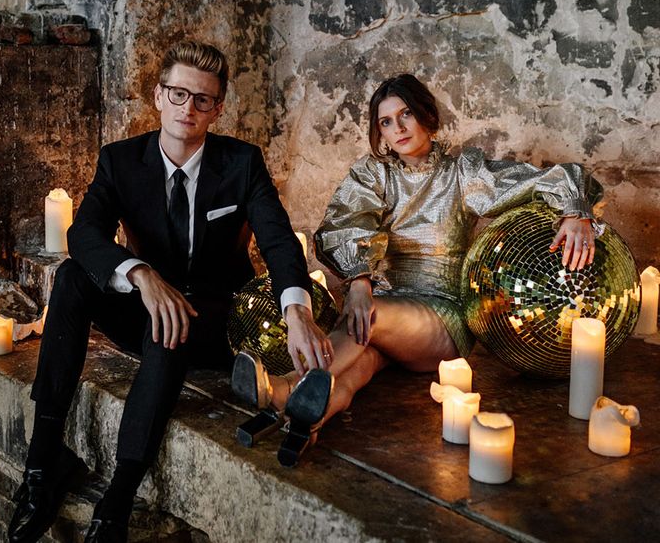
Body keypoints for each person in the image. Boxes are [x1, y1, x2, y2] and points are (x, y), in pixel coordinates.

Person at [7, 40, 333, 543]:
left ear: (217, 108)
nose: (189, 108)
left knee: (171, 325)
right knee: (73, 276)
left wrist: (296, 309)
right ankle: (39, 469)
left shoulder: (242, 163)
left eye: (203, 99)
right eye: (178, 94)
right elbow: (84, 234)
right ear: (158, 97)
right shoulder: (120, 161)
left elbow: (277, 238)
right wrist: (140, 274)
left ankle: (117, 500)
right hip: (143, 305)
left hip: (210, 323)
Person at [232, 73, 602, 466]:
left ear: (425, 113)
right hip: (384, 303)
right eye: (386, 122)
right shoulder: (374, 173)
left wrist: (575, 212)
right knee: (357, 369)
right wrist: (359, 280)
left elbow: (545, 179)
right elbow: (344, 223)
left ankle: (284, 387)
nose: (398, 128)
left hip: (442, 318)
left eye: (406, 114)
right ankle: (312, 416)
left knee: (364, 319)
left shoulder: (463, 173)